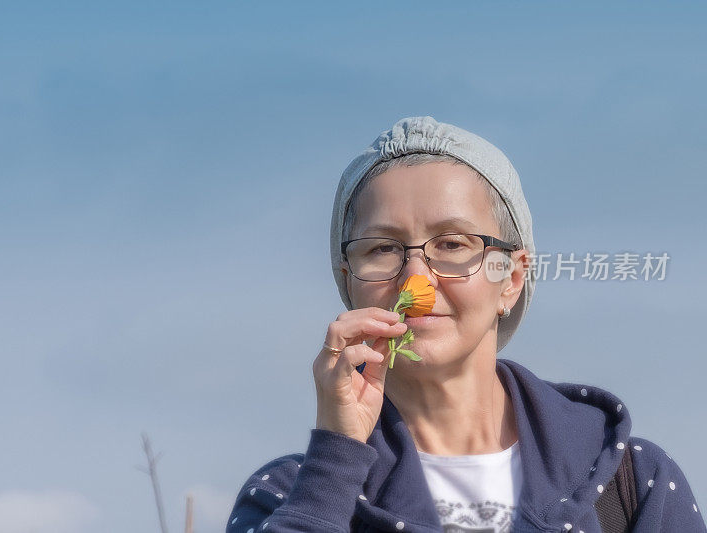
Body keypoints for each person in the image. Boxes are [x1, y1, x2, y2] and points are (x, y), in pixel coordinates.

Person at [226, 116, 705, 532]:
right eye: (382, 248)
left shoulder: (630, 482)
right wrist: (337, 452)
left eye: (453, 245)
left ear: (511, 278)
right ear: (348, 281)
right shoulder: (289, 496)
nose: (416, 279)